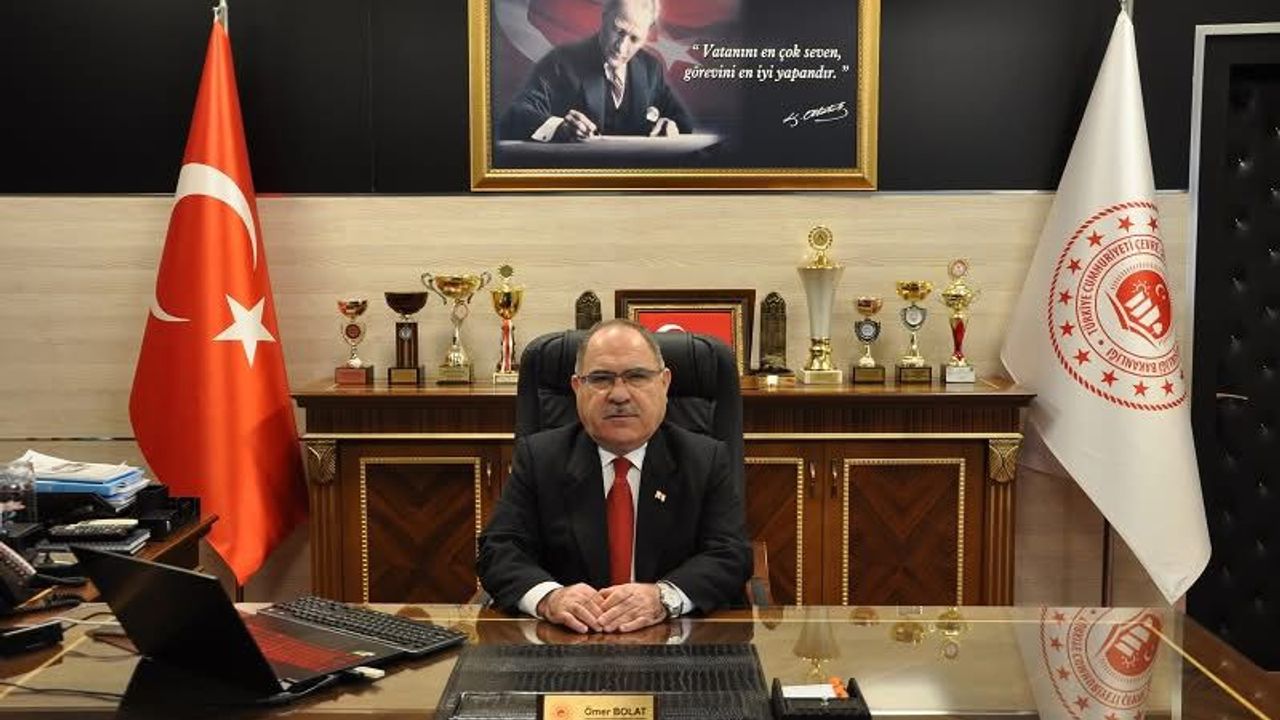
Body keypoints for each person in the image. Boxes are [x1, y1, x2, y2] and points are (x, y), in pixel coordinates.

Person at [477, 320, 752, 633]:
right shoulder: (540, 458)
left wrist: (663, 597)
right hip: (566, 642)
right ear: (577, 388)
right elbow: (499, 551)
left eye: (637, 376)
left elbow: (730, 555)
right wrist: (550, 598)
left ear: (664, 383)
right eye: (601, 379)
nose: (619, 395)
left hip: (674, 641)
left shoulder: (704, 459)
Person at [499, 0, 695, 142]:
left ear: (646, 36)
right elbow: (516, 115)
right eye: (618, 30)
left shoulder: (651, 68)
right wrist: (559, 127)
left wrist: (671, 125)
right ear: (604, 17)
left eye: (634, 38)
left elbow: (682, 120)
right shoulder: (560, 62)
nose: (621, 47)